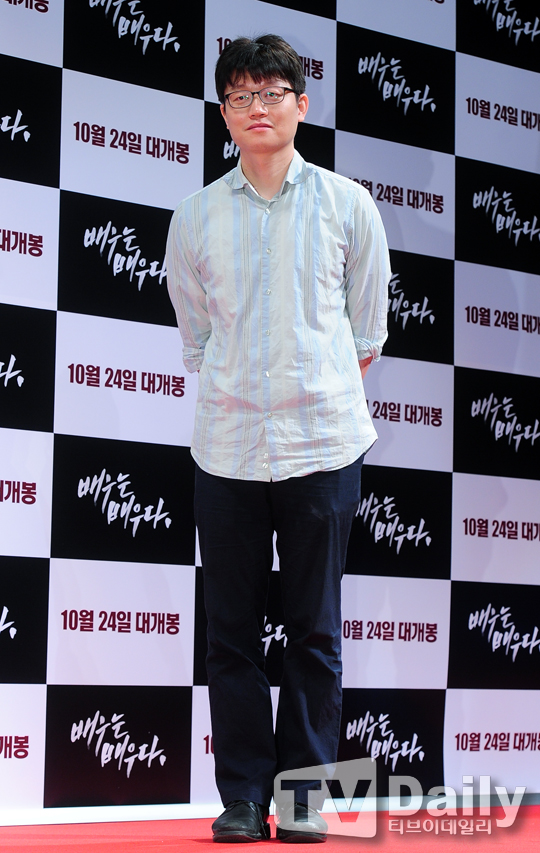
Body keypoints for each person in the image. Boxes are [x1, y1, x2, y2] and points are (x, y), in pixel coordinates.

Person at [166, 34, 390, 843]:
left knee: (315, 633)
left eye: (271, 92)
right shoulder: (194, 215)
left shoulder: (348, 205)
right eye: (240, 95)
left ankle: (301, 800)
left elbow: (366, 331)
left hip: (322, 445)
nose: (256, 107)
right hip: (225, 447)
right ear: (224, 113)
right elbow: (197, 335)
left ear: (302, 104)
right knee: (229, 635)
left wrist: (312, 389)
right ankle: (241, 796)